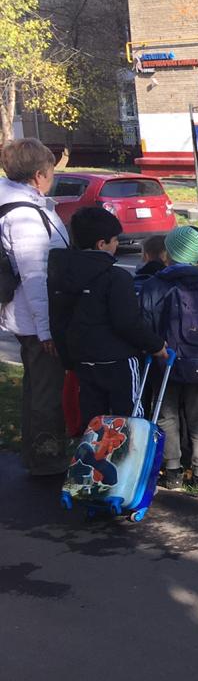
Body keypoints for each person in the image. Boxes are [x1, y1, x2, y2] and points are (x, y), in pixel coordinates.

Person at [48, 206, 167, 419]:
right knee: (129, 418)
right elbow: (127, 322)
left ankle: (94, 442)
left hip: (82, 358)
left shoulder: (61, 275)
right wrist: (155, 345)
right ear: (101, 244)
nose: (117, 244)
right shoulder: (116, 277)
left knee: (93, 419)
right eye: (115, 240)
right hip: (118, 360)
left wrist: (68, 360)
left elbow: (58, 320)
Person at [139, 225, 198, 489]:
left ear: (169, 252)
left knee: (167, 415)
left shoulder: (155, 284)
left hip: (166, 358)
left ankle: (173, 470)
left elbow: (144, 322)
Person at [0, 139, 70, 475]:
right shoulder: (24, 216)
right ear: (39, 175)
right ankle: (46, 457)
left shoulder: (24, 205)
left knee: (36, 387)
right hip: (35, 319)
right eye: (51, 172)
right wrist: (46, 330)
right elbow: (35, 276)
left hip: (30, 316)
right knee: (45, 391)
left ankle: (36, 453)